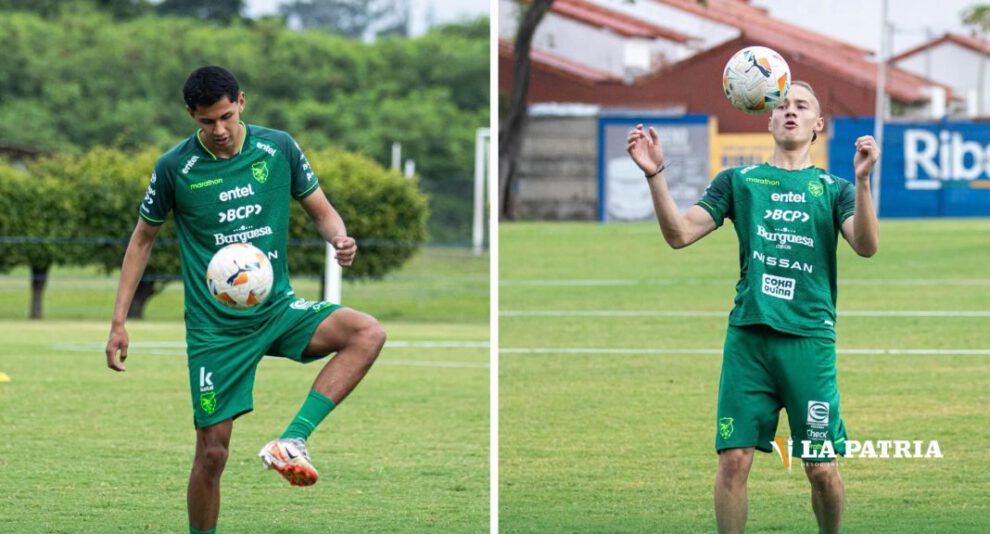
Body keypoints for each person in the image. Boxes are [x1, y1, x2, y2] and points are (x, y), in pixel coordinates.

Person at [105, 66, 386, 534]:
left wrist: (340, 238)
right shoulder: (175, 168)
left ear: (241, 101)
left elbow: (321, 209)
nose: (217, 130)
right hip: (216, 331)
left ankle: (292, 440)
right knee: (212, 454)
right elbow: (141, 241)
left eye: (225, 116)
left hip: (277, 309)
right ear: (191, 116)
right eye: (205, 122)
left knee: (367, 331)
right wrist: (118, 321)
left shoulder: (278, 147)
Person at [626, 81, 879, 534]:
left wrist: (862, 182)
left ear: (817, 124)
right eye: (781, 105)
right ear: (767, 118)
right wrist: (655, 173)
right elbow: (679, 234)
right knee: (733, 460)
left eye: (802, 106)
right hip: (748, 338)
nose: (790, 111)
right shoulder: (738, 183)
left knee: (820, 468)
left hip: (809, 341)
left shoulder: (833, 187)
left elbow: (865, 245)